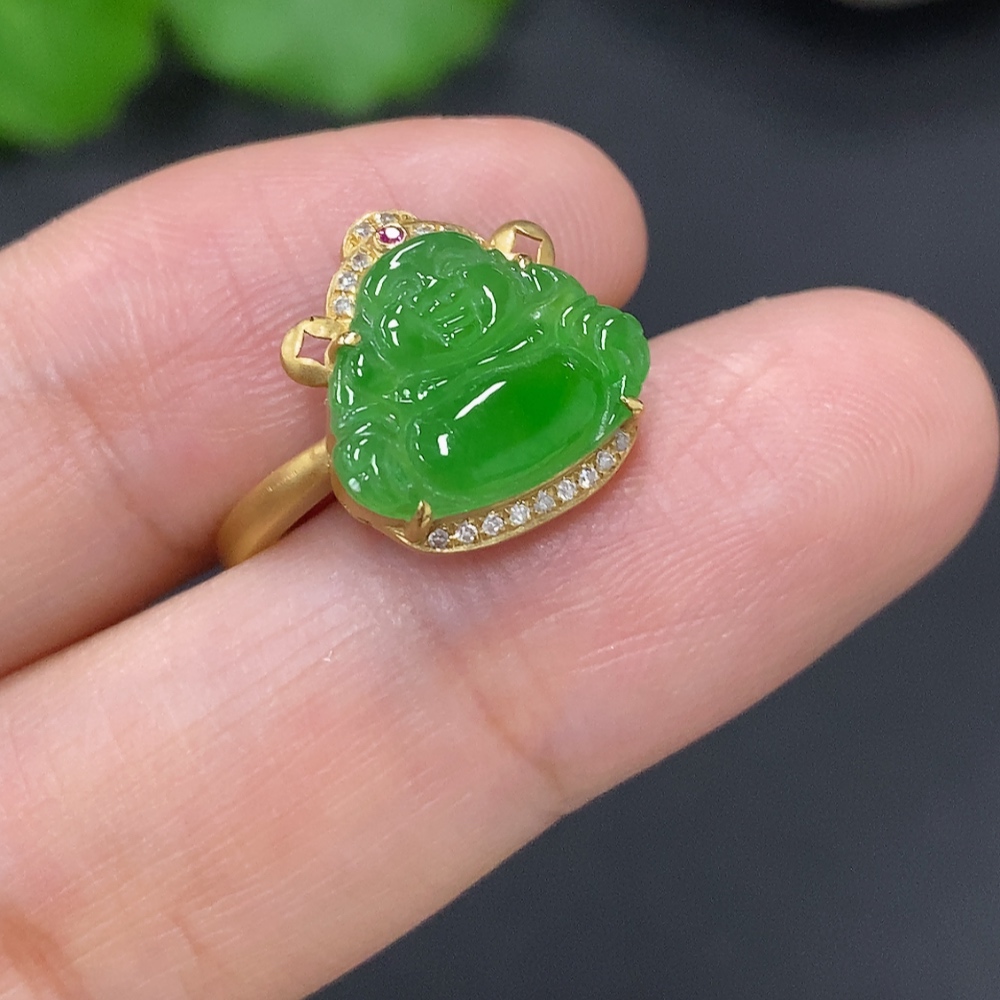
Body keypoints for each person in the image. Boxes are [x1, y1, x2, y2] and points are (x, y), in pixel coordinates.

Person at [0, 117, 995, 999]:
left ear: (500, 271)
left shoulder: (532, 300)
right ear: (368, 333)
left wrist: (590, 340)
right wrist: (370, 456)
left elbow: (601, 334)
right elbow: (367, 458)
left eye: (455, 285)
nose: (441, 309)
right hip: (452, 454)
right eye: (413, 306)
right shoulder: (372, 374)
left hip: (569, 396)